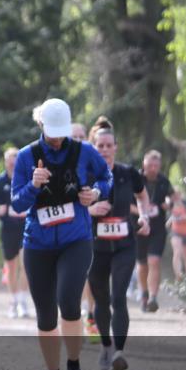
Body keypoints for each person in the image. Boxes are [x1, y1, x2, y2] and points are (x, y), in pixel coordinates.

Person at [12, 99, 112, 370]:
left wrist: (95, 193)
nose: (56, 138)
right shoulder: (27, 156)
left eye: (61, 132)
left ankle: (74, 367)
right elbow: (17, 203)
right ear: (41, 125)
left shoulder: (84, 152)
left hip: (75, 240)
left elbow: (106, 178)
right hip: (38, 244)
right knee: (45, 315)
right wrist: (32, 186)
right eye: (50, 132)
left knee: (69, 301)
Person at [86, 117, 152, 370]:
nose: (104, 150)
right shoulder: (87, 175)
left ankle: (119, 352)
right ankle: (105, 345)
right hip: (94, 247)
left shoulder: (128, 173)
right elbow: (74, 206)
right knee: (101, 299)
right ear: (93, 147)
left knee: (118, 297)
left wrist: (144, 216)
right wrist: (91, 210)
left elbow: (143, 195)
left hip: (124, 245)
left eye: (108, 145)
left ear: (116, 147)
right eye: (99, 146)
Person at [0, 147, 30, 318]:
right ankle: (13, 302)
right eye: (9, 160)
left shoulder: (27, 179)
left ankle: (23, 300)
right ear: (5, 162)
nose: (12, 163)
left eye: (16, 160)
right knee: (11, 267)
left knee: (25, 265)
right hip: (8, 230)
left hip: (26, 228)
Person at [135, 150, 172, 313]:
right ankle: (144, 293)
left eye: (156, 165)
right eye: (150, 165)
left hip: (157, 228)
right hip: (139, 226)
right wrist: (143, 211)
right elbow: (126, 203)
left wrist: (168, 204)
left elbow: (172, 197)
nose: (152, 168)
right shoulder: (135, 179)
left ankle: (153, 298)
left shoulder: (163, 181)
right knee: (142, 263)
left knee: (154, 261)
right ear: (144, 164)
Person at [71, 122, 98, 336]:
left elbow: (107, 188)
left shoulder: (93, 163)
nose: (80, 140)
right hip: (67, 232)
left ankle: (91, 316)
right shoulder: (58, 165)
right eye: (75, 136)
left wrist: (96, 202)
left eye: (82, 136)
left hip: (93, 230)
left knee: (91, 274)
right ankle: (74, 314)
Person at [167, 189, 186, 282]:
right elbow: (168, 221)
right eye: (174, 195)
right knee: (177, 252)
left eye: (177, 194)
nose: (176, 197)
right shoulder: (170, 205)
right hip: (176, 232)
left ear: (181, 195)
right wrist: (170, 221)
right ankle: (178, 276)